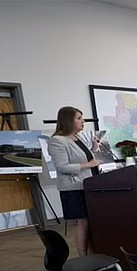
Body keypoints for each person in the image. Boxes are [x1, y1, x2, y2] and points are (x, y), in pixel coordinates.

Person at [48, 106, 102, 256]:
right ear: (68, 121)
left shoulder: (77, 138)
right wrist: (88, 165)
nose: (83, 121)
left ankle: (93, 254)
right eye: (79, 118)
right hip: (73, 188)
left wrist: (94, 148)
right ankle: (83, 256)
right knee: (81, 223)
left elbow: (82, 157)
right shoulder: (57, 140)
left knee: (89, 222)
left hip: (87, 185)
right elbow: (62, 167)